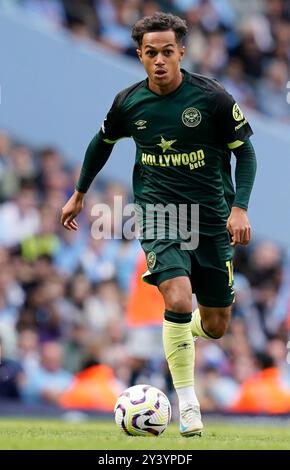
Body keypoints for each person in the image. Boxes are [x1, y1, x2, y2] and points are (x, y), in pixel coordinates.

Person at [61, 12, 257, 437]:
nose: (160, 60)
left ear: (181, 52)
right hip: (160, 216)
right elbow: (102, 142)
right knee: (177, 297)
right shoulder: (129, 103)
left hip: (211, 220)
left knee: (217, 325)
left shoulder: (213, 98)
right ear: (140, 56)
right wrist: (79, 192)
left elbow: (247, 152)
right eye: (151, 53)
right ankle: (187, 403)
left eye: (168, 51)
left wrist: (239, 207)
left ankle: (181, 335)